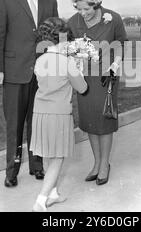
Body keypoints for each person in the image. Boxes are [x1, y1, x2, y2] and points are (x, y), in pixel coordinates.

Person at [0, 0, 59, 187]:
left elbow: (54, 39)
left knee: (37, 123)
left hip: (41, 75)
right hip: (13, 73)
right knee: (15, 125)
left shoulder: (51, 2)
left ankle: (37, 166)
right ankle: (11, 172)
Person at [68, 0, 127, 186]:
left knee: (104, 120)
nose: (83, 13)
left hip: (106, 77)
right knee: (89, 122)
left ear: (97, 4)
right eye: (79, 8)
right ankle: (96, 163)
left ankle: (104, 164)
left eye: (87, 8)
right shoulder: (73, 22)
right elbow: (70, 49)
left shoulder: (113, 18)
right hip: (84, 79)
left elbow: (120, 45)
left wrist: (115, 65)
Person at [30, 17, 88, 212]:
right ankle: (41, 200)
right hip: (59, 114)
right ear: (62, 39)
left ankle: (52, 194)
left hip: (40, 113)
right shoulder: (66, 62)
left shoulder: (40, 60)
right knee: (58, 158)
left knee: (47, 154)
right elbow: (82, 88)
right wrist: (78, 68)